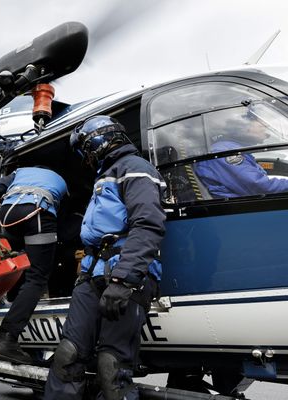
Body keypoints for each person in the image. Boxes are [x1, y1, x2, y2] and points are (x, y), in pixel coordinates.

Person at [43, 116, 166, 400]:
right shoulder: (104, 175)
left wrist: (124, 279)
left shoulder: (135, 169)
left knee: (111, 366)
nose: (86, 157)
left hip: (125, 275)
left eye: (86, 149)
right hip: (92, 276)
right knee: (68, 355)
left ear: (97, 141)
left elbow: (147, 224)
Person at [0, 166, 67, 365]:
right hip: (38, 211)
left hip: (8, 215)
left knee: (14, 260)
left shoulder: (20, 172)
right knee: (38, 277)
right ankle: (7, 339)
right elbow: (62, 212)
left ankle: (9, 300)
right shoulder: (60, 178)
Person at [195, 113, 288, 197]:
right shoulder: (225, 151)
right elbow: (259, 186)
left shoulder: (233, 149)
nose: (266, 129)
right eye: (262, 125)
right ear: (244, 127)